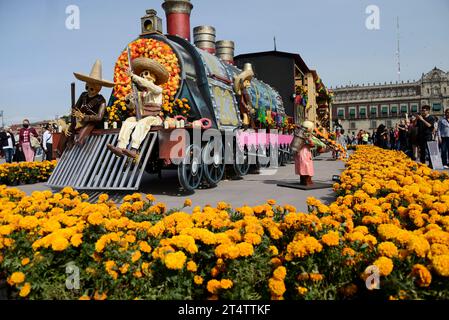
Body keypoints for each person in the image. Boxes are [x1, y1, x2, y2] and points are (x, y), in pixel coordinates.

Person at [108, 57, 169, 159]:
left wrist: (134, 77)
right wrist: (129, 100)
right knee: (128, 121)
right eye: (142, 75)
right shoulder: (141, 94)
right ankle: (120, 147)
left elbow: (148, 84)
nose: (143, 77)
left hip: (154, 118)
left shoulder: (157, 89)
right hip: (141, 117)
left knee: (143, 123)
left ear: (153, 78)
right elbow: (132, 106)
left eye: (146, 74)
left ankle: (134, 149)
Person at [234, 63, 256, 129]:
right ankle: (246, 124)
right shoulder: (243, 91)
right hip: (244, 106)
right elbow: (242, 100)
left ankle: (247, 124)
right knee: (245, 114)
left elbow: (246, 99)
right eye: (247, 81)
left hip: (246, 106)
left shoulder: (246, 91)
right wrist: (246, 106)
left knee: (246, 115)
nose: (248, 84)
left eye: (249, 81)